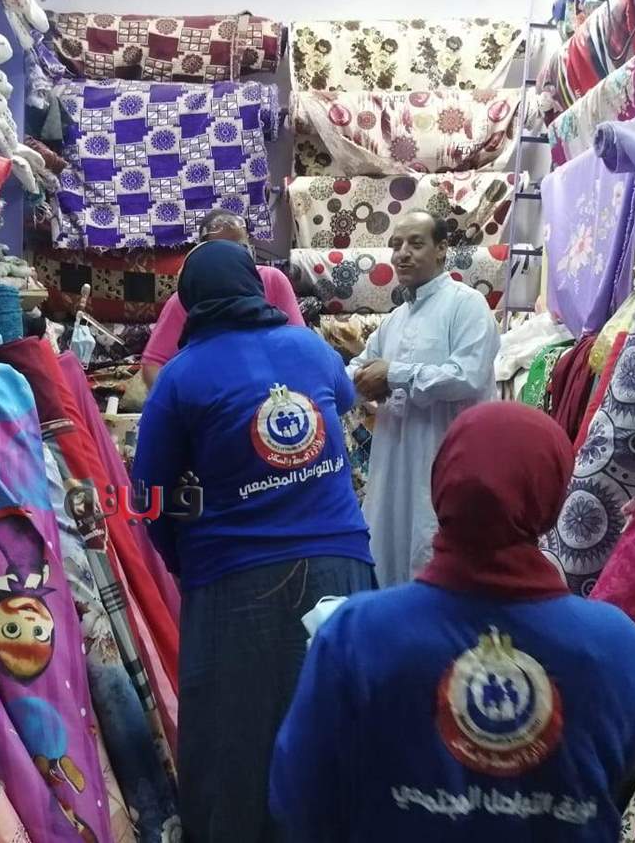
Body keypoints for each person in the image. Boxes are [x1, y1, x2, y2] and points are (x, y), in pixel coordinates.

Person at [270, 403, 635, 843]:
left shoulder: (356, 635)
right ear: (552, 498)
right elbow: (619, 771)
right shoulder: (618, 646)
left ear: (440, 484)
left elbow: (298, 796)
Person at [131, 240, 375, 843]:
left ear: (190, 301)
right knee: (335, 717)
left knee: (234, 735)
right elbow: (343, 402)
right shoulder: (309, 348)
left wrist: (184, 559)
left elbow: (149, 495)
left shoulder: (181, 376)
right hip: (342, 563)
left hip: (239, 579)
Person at [347, 210, 498, 585]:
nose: (402, 254)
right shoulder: (394, 319)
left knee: (436, 553)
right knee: (388, 551)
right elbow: (359, 370)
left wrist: (394, 374)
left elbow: (468, 375)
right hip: (392, 461)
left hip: (444, 457)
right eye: (396, 244)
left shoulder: (466, 305)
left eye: (415, 243)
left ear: (442, 248)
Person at [140, 209, 303, 387]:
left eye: (239, 247)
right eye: (221, 249)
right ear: (203, 255)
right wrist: (175, 399)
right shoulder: (187, 297)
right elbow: (153, 363)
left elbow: (298, 344)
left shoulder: (273, 280)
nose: (230, 255)